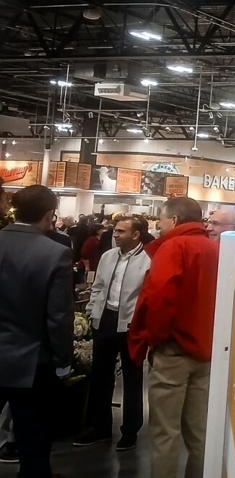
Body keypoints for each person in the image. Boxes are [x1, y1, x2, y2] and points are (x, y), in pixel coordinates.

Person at [128, 197, 220, 478]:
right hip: (205, 351)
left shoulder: (173, 247)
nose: (158, 224)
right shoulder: (215, 249)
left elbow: (158, 298)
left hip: (173, 350)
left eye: (161, 219)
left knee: (165, 434)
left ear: (175, 220)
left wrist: (152, 339)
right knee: (200, 433)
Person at [0, 186, 74, 477]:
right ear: (49, 214)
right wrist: (63, 360)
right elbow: (58, 317)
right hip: (32, 362)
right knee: (33, 441)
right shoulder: (56, 254)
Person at [75, 216, 152, 450]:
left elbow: (148, 295)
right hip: (105, 319)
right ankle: (98, 427)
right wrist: (92, 311)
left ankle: (130, 430)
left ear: (136, 234)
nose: (115, 234)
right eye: (115, 231)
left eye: (120, 231)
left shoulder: (149, 260)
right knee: (100, 375)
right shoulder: (108, 257)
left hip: (131, 324)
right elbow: (98, 286)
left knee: (132, 376)